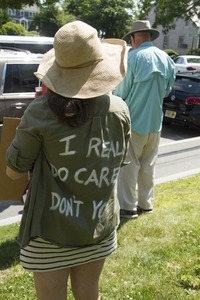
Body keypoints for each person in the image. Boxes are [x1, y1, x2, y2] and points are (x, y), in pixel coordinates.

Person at [6, 21, 131, 300]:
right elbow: (117, 162)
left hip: (49, 231)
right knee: (89, 294)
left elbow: (13, 172)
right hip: (98, 227)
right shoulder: (120, 109)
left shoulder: (39, 112)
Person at [113, 20, 176, 219]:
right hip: (155, 122)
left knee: (129, 167)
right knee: (148, 166)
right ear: (149, 36)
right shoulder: (166, 59)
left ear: (133, 38)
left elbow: (120, 93)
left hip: (133, 121)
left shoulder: (131, 58)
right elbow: (166, 91)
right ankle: (146, 204)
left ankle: (128, 207)